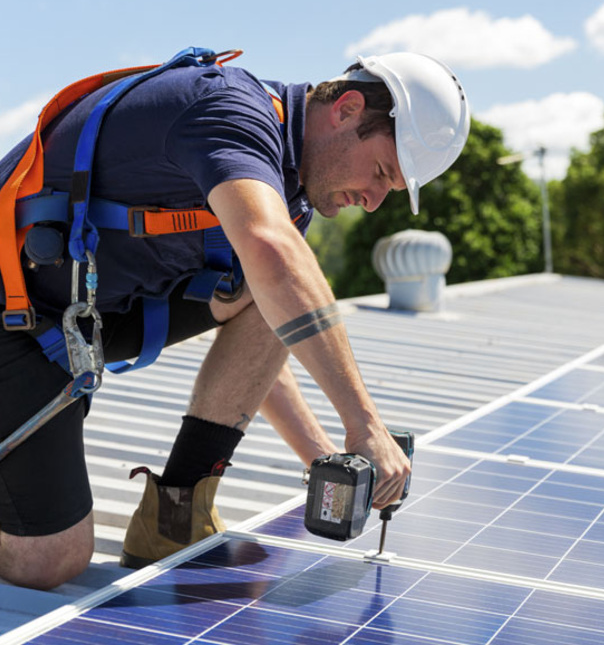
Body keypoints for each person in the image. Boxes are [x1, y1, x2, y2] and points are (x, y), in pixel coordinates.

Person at [0, 49, 470, 589]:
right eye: (382, 173)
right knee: (50, 562)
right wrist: (364, 424)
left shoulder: (286, 193)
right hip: (14, 320)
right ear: (347, 108)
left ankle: (173, 518)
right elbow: (274, 255)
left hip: (74, 322)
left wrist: (324, 460)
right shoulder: (226, 110)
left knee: (274, 292)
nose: (371, 201)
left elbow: (273, 316)